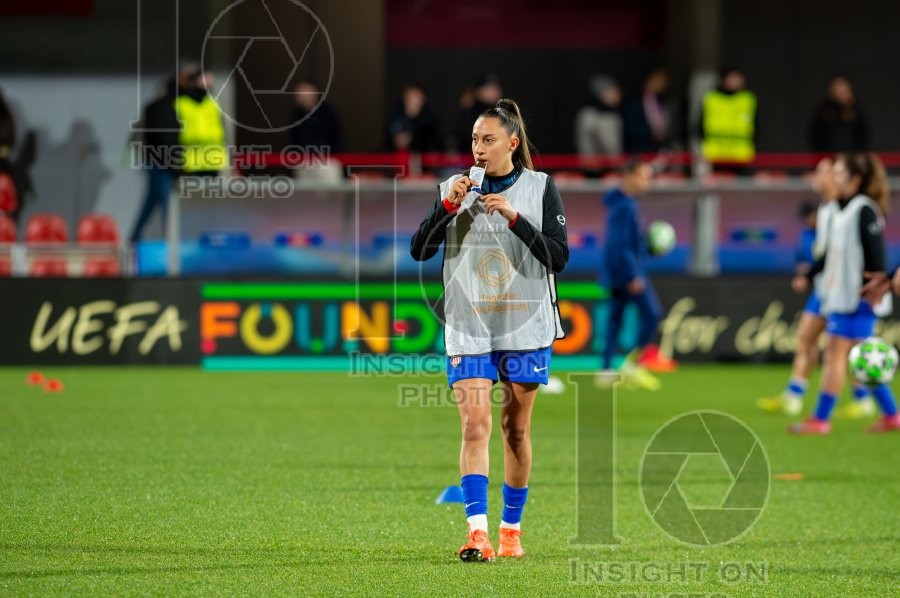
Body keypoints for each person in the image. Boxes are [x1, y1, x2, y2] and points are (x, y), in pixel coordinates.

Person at [410, 98, 568, 562]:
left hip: (525, 326)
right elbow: (420, 250)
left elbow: (558, 257)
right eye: (475, 139)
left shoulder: (540, 188)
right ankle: (476, 533)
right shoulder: (453, 188)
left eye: (488, 140)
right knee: (475, 425)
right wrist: (446, 205)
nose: (478, 149)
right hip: (469, 326)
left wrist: (515, 219)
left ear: (512, 144)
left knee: (514, 430)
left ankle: (511, 531)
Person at [789, 153, 899, 434]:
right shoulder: (838, 209)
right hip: (842, 296)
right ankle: (892, 416)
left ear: (855, 179)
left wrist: (875, 288)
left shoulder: (863, 209)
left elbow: (876, 257)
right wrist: (809, 274)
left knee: (836, 354)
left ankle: (820, 419)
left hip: (857, 298)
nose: (832, 178)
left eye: (838, 173)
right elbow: (829, 255)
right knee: (861, 358)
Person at [757, 158, 873, 418]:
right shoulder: (827, 208)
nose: (816, 177)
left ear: (836, 176)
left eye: (822, 172)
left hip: (841, 291)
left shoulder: (847, 210)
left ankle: (862, 402)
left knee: (843, 348)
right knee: (809, 339)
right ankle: (795, 396)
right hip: (824, 288)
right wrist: (809, 273)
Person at [599, 159, 675, 391]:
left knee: (615, 319)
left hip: (616, 271)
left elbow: (623, 242)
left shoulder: (618, 203)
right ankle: (632, 365)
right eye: (643, 177)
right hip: (627, 273)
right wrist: (634, 274)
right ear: (629, 176)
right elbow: (621, 245)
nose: (647, 183)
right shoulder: (627, 206)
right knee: (652, 313)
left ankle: (606, 370)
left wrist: (647, 248)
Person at [130, 76, 180, 242]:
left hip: (156, 162)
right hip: (161, 163)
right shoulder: (162, 108)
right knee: (166, 203)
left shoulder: (155, 108)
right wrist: (174, 162)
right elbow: (163, 138)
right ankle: (170, 240)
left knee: (152, 201)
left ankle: (135, 237)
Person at [700, 68, 757, 167]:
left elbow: (756, 126)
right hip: (716, 153)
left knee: (741, 182)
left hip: (740, 154)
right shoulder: (711, 98)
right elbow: (699, 125)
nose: (735, 81)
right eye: (732, 78)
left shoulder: (748, 99)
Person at [174, 70, 227, 178]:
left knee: (211, 193)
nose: (208, 84)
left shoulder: (214, 102)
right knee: (192, 193)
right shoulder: (180, 103)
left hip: (213, 158)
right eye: (204, 80)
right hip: (190, 160)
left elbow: (223, 128)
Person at [808, 76, 868, 153]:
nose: (842, 94)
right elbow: (814, 136)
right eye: (838, 91)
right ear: (831, 92)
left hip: (852, 156)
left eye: (845, 91)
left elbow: (863, 136)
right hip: (828, 157)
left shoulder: (856, 111)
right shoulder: (823, 111)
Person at [623, 67, 672, 154]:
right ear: (649, 79)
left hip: (659, 150)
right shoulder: (636, 100)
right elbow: (631, 127)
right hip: (639, 150)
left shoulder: (662, 101)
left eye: (665, 81)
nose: (663, 84)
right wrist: (651, 134)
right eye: (659, 80)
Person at [451, 74, 503, 152]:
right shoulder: (471, 112)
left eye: (495, 88)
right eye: (488, 88)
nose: (493, 92)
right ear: (478, 91)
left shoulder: (505, 112)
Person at [574, 75, 623, 157]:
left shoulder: (615, 115)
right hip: (595, 165)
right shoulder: (588, 115)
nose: (617, 96)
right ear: (601, 93)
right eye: (612, 91)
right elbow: (585, 146)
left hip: (614, 165)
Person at [290, 81, 343, 152]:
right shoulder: (297, 114)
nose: (302, 96)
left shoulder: (327, 111)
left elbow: (335, 137)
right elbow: (294, 140)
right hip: (303, 158)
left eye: (305, 92)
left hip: (328, 157)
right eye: (299, 93)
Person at [387, 83, 440, 152]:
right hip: (396, 156)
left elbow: (433, 141)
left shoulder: (430, 118)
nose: (414, 99)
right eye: (411, 95)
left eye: (417, 96)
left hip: (423, 156)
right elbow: (389, 138)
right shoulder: (395, 116)